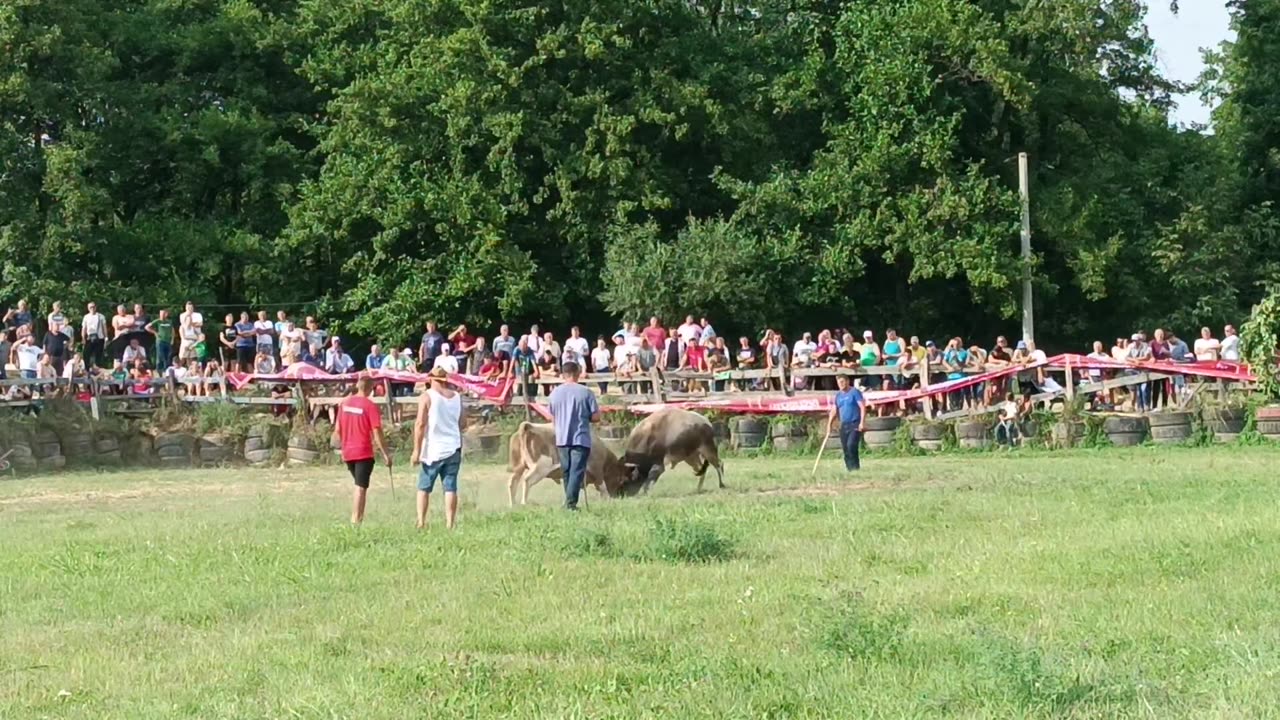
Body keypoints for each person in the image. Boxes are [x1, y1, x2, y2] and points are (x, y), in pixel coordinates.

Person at [331, 376, 392, 525]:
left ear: (357, 386)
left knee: (359, 484)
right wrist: (385, 454)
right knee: (361, 487)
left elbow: (337, 430)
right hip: (363, 452)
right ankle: (356, 521)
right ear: (370, 389)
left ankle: (357, 519)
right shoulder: (370, 406)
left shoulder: (344, 404)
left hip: (348, 453)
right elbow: (377, 432)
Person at [413, 367, 464, 530]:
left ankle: (421, 521)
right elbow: (463, 423)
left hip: (433, 448)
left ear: (432, 379)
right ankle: (450, 522)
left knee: (424, 486)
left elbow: (420, 424)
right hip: (453, 446)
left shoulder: (427, 397)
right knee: (450, 487)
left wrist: (416, 450)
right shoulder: (457, 397)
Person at [546, 361, 600, 511]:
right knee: (577, 471)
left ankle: (569, 501)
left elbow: (551, 416)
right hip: (580, 437)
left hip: (562, 438)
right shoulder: (586, 392)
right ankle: (570, 504)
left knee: (567, 472)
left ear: (564, 374)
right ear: (577, 373)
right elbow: (596, 417)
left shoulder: (555, 393)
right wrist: (585, 416)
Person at [825, 373, 866, 471]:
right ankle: (849, 469)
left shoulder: (854, 392)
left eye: (843, 382)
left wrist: (862, 422)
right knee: (845, 449)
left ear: (847, 381)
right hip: (844, 424)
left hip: (854, 423)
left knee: (851, 445)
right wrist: (829, 424)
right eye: (839, 382)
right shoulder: (838, 396)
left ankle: (855, 467)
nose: (841, 384)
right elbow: (834, 410)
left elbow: (862, 407)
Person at [82, 302, 108, 368]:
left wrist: (106, 337)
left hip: (100, 338)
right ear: (88, 308)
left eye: (93, 307)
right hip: (89, 338)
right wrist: (83, 338)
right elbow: (84, 328)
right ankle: (87, 369)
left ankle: (98, 370)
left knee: (98, 355)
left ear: (95, 307)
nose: (92, 308)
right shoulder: (86, 317)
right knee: (86, 354)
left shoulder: (101, 316)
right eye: (90, 307)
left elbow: (104, 327)